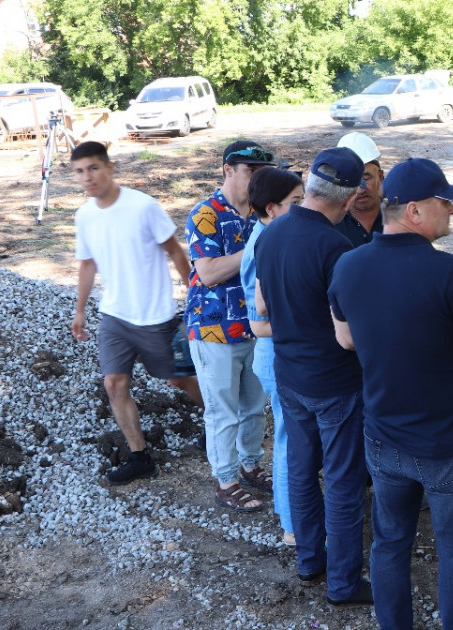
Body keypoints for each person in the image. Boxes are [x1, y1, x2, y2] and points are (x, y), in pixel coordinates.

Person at [330, 157, 453, 630]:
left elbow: (345, 340)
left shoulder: (348, 266)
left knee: (389, 544)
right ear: (413, 210)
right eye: (444, 202)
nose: (452, 210)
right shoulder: (449, 273)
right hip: (447, 447)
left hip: (384, 439)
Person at [253, 147, 373, 606]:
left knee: (301, 470)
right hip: (334, 382)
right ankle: (342, 584)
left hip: (290, 374)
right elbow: (347, 339)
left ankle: (309, 561)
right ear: (347, 200)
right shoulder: (335, 248)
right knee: (343, 481)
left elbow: (262, 306)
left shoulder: (270, 233)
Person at [69, 141, 202, 485]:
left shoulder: (143, 207)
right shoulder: (84, 215)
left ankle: (220, 421)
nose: (88, 177)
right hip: (114, 316)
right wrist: (80, 310)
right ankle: (140, 456)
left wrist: (196, 294)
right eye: (80, 171)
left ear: (110, 167)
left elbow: (175, 252)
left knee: (178, 379)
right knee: (114, 383)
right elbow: (86, 264)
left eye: (93, 168)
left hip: (155, 316)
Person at [184, 140, 275, 512]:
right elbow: (207, 273)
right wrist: (257, 249)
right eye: (251, 171)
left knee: (254, 406)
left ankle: (251, 466)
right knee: (222, 410)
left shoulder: (261, 213)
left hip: (255, 328)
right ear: (228, 170)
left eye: (262, 173)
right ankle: (226, 480)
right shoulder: (205, 213)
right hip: (212, 329)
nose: (257, 179)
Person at [240, 166, 304, 545]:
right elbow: (258, 320)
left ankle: (292, 515)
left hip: (279, 355)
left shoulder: (270, 235)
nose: (303, 209)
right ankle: (293, 527)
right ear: (271, 208)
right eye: (296, 203)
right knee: (289, 442)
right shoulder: (264, 244)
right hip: (276, 357)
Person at [335, 132, 385, 248]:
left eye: (366, 178)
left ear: (380, 176)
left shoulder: (399, 218)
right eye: (352, 181)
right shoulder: (333, 223)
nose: (360, 190)